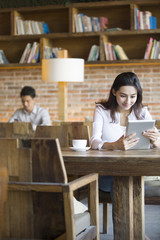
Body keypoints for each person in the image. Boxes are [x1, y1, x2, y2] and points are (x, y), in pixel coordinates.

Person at [90, 72, 160, 240]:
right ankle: (133, 235)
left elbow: (156, 142)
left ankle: (133, 234)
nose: (128, 101)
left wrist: (156, 141)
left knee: (130, 180)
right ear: (114, 92)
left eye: (133, 96)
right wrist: (114, 146)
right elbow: (93, 141)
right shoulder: (102, 110)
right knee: (120, 182)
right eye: (123, 96)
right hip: (106, 173)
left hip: (134, 170)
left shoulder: (142, 112)